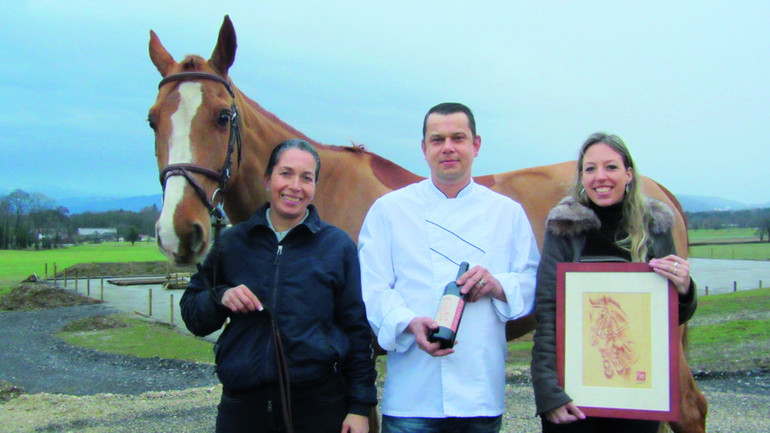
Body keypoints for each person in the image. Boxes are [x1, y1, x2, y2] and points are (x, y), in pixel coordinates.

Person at [358, 102, 541, 433]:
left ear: (476, 145)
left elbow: (532, 282)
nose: (448, 148)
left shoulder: (507, 213)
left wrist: (497, 285)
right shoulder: (388, 210)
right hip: (412, 393)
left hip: (479, 391)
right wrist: (409, 322)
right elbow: (372, 287)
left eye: (458, 138)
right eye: (437, 139)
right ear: (424, 148)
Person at [180, 138, 378, 433]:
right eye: (285, 173)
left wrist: (360, 408)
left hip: (318, 406)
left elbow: (357, 332)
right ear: (267, 179)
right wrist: (220, 297)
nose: (295, 186)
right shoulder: (231, 244)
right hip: (243, 408)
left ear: (314, 186)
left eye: (306, 178)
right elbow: (193, 315)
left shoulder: (337, 247)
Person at [530, 132, 698, 432]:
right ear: (581, 176)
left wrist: (684, 289)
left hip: (636, 394)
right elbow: (547, 313)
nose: (600, 177)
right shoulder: (563, 229)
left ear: (629, 174)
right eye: (590, 169)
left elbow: (669, 319)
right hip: (574, 395)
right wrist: (547, 393)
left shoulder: (655, 228)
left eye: (611, 167)